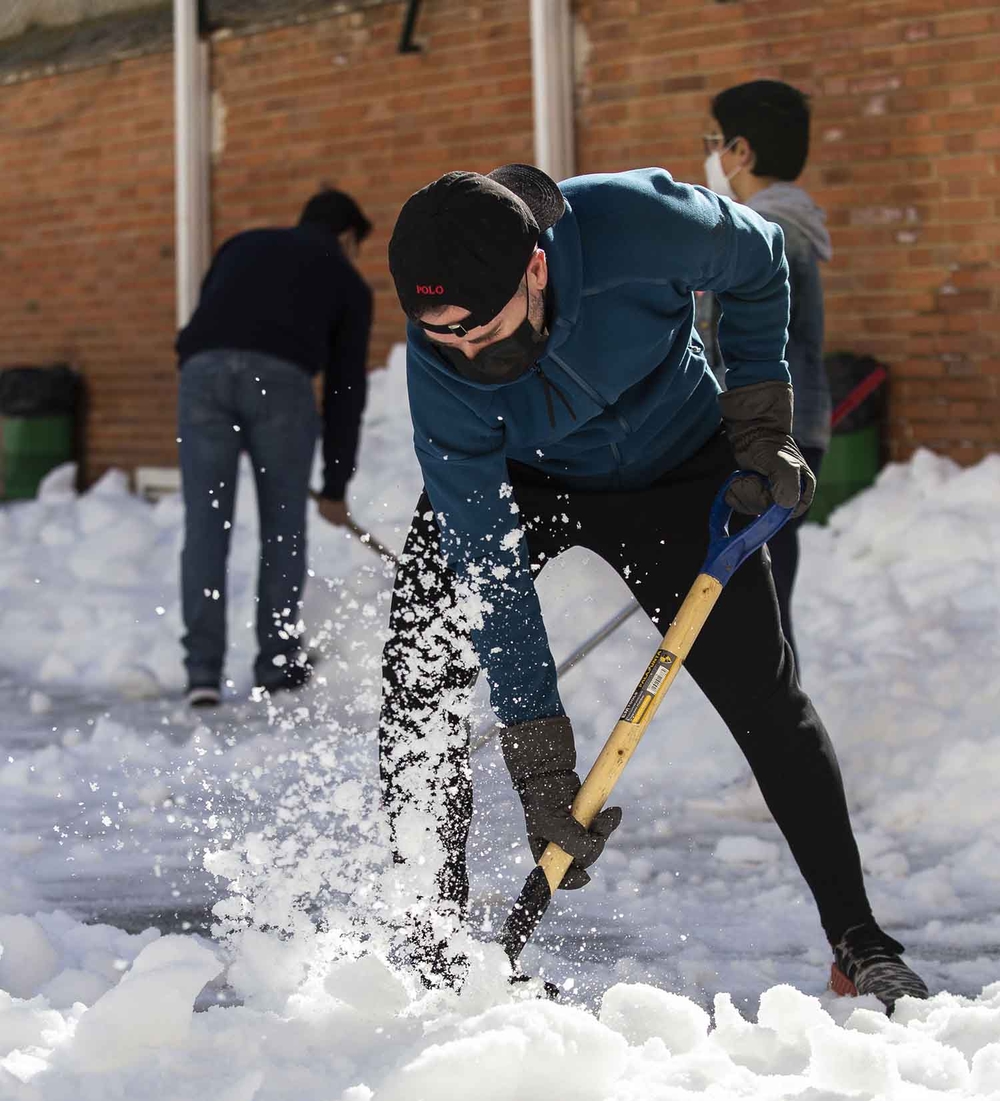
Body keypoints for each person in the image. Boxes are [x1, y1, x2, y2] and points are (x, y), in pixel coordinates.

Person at [380, 163, 928, 1014]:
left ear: (536, 267)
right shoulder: (441, 371)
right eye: (439, 335)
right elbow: (487, 564)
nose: (465, 355)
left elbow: (759, 261)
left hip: (677, 462)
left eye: (479, 331)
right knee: (418, 672)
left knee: (764, 695)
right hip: (523, 479)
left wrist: (759, 421)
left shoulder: (639, 223)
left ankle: (861, 942)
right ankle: (434, 946)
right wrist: (539, 758)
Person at [175, 189, 373, 706]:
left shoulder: (242, 245)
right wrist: (334, 485)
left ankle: (202, 673)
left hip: (202, 373)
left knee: (206, 524)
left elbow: (208, 317)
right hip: (280, 385)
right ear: (348, 237)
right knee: (282, 528)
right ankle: (277, 664)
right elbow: (344, 390)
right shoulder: (347, 281)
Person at [699, 79, 832, 672]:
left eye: (715, 143)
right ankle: (782, 747)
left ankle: (785, 752)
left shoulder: (752, 232)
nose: (713, 156)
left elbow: (712, 340)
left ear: (742, 151)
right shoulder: (793, 226)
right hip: (799, 428)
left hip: (764, 433)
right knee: (768, 601)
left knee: (761, 611)